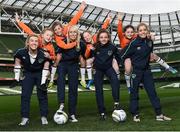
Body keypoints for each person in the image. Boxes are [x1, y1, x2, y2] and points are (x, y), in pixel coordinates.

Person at [121, 23, 172, 122]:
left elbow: (150, 54)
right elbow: (123, 55)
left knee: (153, 93)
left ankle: (159, 115)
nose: (143, 32)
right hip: (136, 72)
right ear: (137, 32)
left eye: (144, 30)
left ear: (147, 31)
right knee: (134, 94)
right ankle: (135, 114)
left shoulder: (150, 42)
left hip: (147, 71)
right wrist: (129, 65)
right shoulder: (133, 43)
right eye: (140, 30)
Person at [117, 13, 177, 93]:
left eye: (132, 32)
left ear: (134, 33)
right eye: (128, 32)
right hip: (128, 56)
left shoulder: (135, 37)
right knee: (128, 69)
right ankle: (129, 86)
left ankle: (168, 67)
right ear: (124, 33)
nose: (130, 34)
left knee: (153, 55)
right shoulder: (122, 38)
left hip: (137, 55)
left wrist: (152, 36)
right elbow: (119, 31)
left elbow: (145, 35)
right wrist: (120, 21)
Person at [48, 1, 86, 88]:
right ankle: (51, 80)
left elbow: (74, 19)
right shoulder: (57, 39)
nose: (58, 31)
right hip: (63, 49)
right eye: (55, 30)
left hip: (72, 48)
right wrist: (75, 43)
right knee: (57, 59)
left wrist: (81, 9)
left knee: (82, 58)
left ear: (62, 27)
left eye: (59, 28)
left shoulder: (66, 28)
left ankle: (83, 79)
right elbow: (64, 46)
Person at [13, 35, 50, 125]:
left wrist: (43, 80)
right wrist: (17, 77)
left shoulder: (44, 53)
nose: (34, 43)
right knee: (25, 96)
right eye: (32, 41)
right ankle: (25, 117)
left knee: (42, 96)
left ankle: (44, 116)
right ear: (28, 43)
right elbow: (17, 62)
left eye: (36, 41)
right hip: (28, 73)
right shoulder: (21, 52)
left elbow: (47, 65)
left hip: (40, 73)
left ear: (39, 43)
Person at [15, 13, 55, 90]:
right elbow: (28, 30)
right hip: (32, 60)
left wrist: (49, 56)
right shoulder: (37, 39)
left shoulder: (51, 46)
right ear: (42, 35)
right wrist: (18, 21)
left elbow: (54, 57)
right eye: (47, 35)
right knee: (22, 53)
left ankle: (43, 83)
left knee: (47, 65)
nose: (49, 37)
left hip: (41, 63)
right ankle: (19, 77)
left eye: (51, 36)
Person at [56, 25, 86, 122]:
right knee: (60, 81)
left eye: (75, 32)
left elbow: (81, 57)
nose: (73, 34)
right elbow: (59, 55)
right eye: (71, 32)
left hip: (73, 66)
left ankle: (72, 114)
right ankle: (61, 104)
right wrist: (54, 66)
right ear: (68, 33)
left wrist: (83, 74)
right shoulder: (63, 42)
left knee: (73, 89)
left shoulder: (81, 44)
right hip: (63, 65)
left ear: (78, 34)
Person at [90, 29, 122, 120]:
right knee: (98, 90)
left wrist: (117, 64)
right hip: (98, 69)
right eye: (101, 37)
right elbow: (88, 56)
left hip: (108, 68)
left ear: (108, 38)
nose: (103, 39)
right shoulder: (95, 46)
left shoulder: (112, 47)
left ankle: (116, 103)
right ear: (98, 38)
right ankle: (102, 112)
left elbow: (118, 57)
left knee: (115, 81)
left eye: (105, 37)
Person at [82, 14, 120, 89]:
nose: (86, 38)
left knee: (115, 65)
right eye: (85, 37)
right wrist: (88, 50)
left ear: (91, 35)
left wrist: (108, 19)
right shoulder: (87, 45)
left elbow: (103, 28)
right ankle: (90, 79)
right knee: (88, 61)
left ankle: (117, 80)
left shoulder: (97, 37)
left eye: (88, 35)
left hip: (106, 56)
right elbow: (86, 56)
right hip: (96, 59)